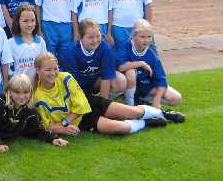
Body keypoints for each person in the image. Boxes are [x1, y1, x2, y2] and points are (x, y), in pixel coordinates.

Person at [32, 52, 170, 137]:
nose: (53, 73)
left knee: (132, 111)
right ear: (38, 70)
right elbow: (47, 125)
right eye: (47, 70)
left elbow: (81, 105)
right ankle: (146, 122)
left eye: (55, 68)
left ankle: (163, 113)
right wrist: (64, 130)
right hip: (82, 121)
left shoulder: (65, 77)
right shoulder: (38, 96)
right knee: (122, 128)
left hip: (89, 105)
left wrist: (65, 123)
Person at [117, 19, 184, 113]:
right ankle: (129, 103)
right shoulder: (125, 46)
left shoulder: (151, 55)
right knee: (130, 72)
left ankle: (145, 100)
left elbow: (161, 79)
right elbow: (121, 66)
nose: (146, 40)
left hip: (146, 87)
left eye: (149, 37)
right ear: (133, 36)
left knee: (176, 98)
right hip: (127, 85)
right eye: (142, 37)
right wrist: (141, 63)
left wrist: (157, 100)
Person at [61, 19, 126, 101]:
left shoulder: (106, 49)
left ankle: (99, 100)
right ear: (80, 37)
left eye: (98, 36)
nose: (95, 40)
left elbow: (106, 78)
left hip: (96, 82)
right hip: (78, 84)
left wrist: (102, 105)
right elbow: (72, 82)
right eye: (90, 37)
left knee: (120, 81)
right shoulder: (70, 52)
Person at [8, 4, 46, 79]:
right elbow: (9, 71)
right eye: (25, 21)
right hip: (19, 88)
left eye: (32, 20)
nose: (30, 24)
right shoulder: (10, 43)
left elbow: (44, 65)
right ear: (17, 22)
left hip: (37, 88)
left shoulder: (41, 42)